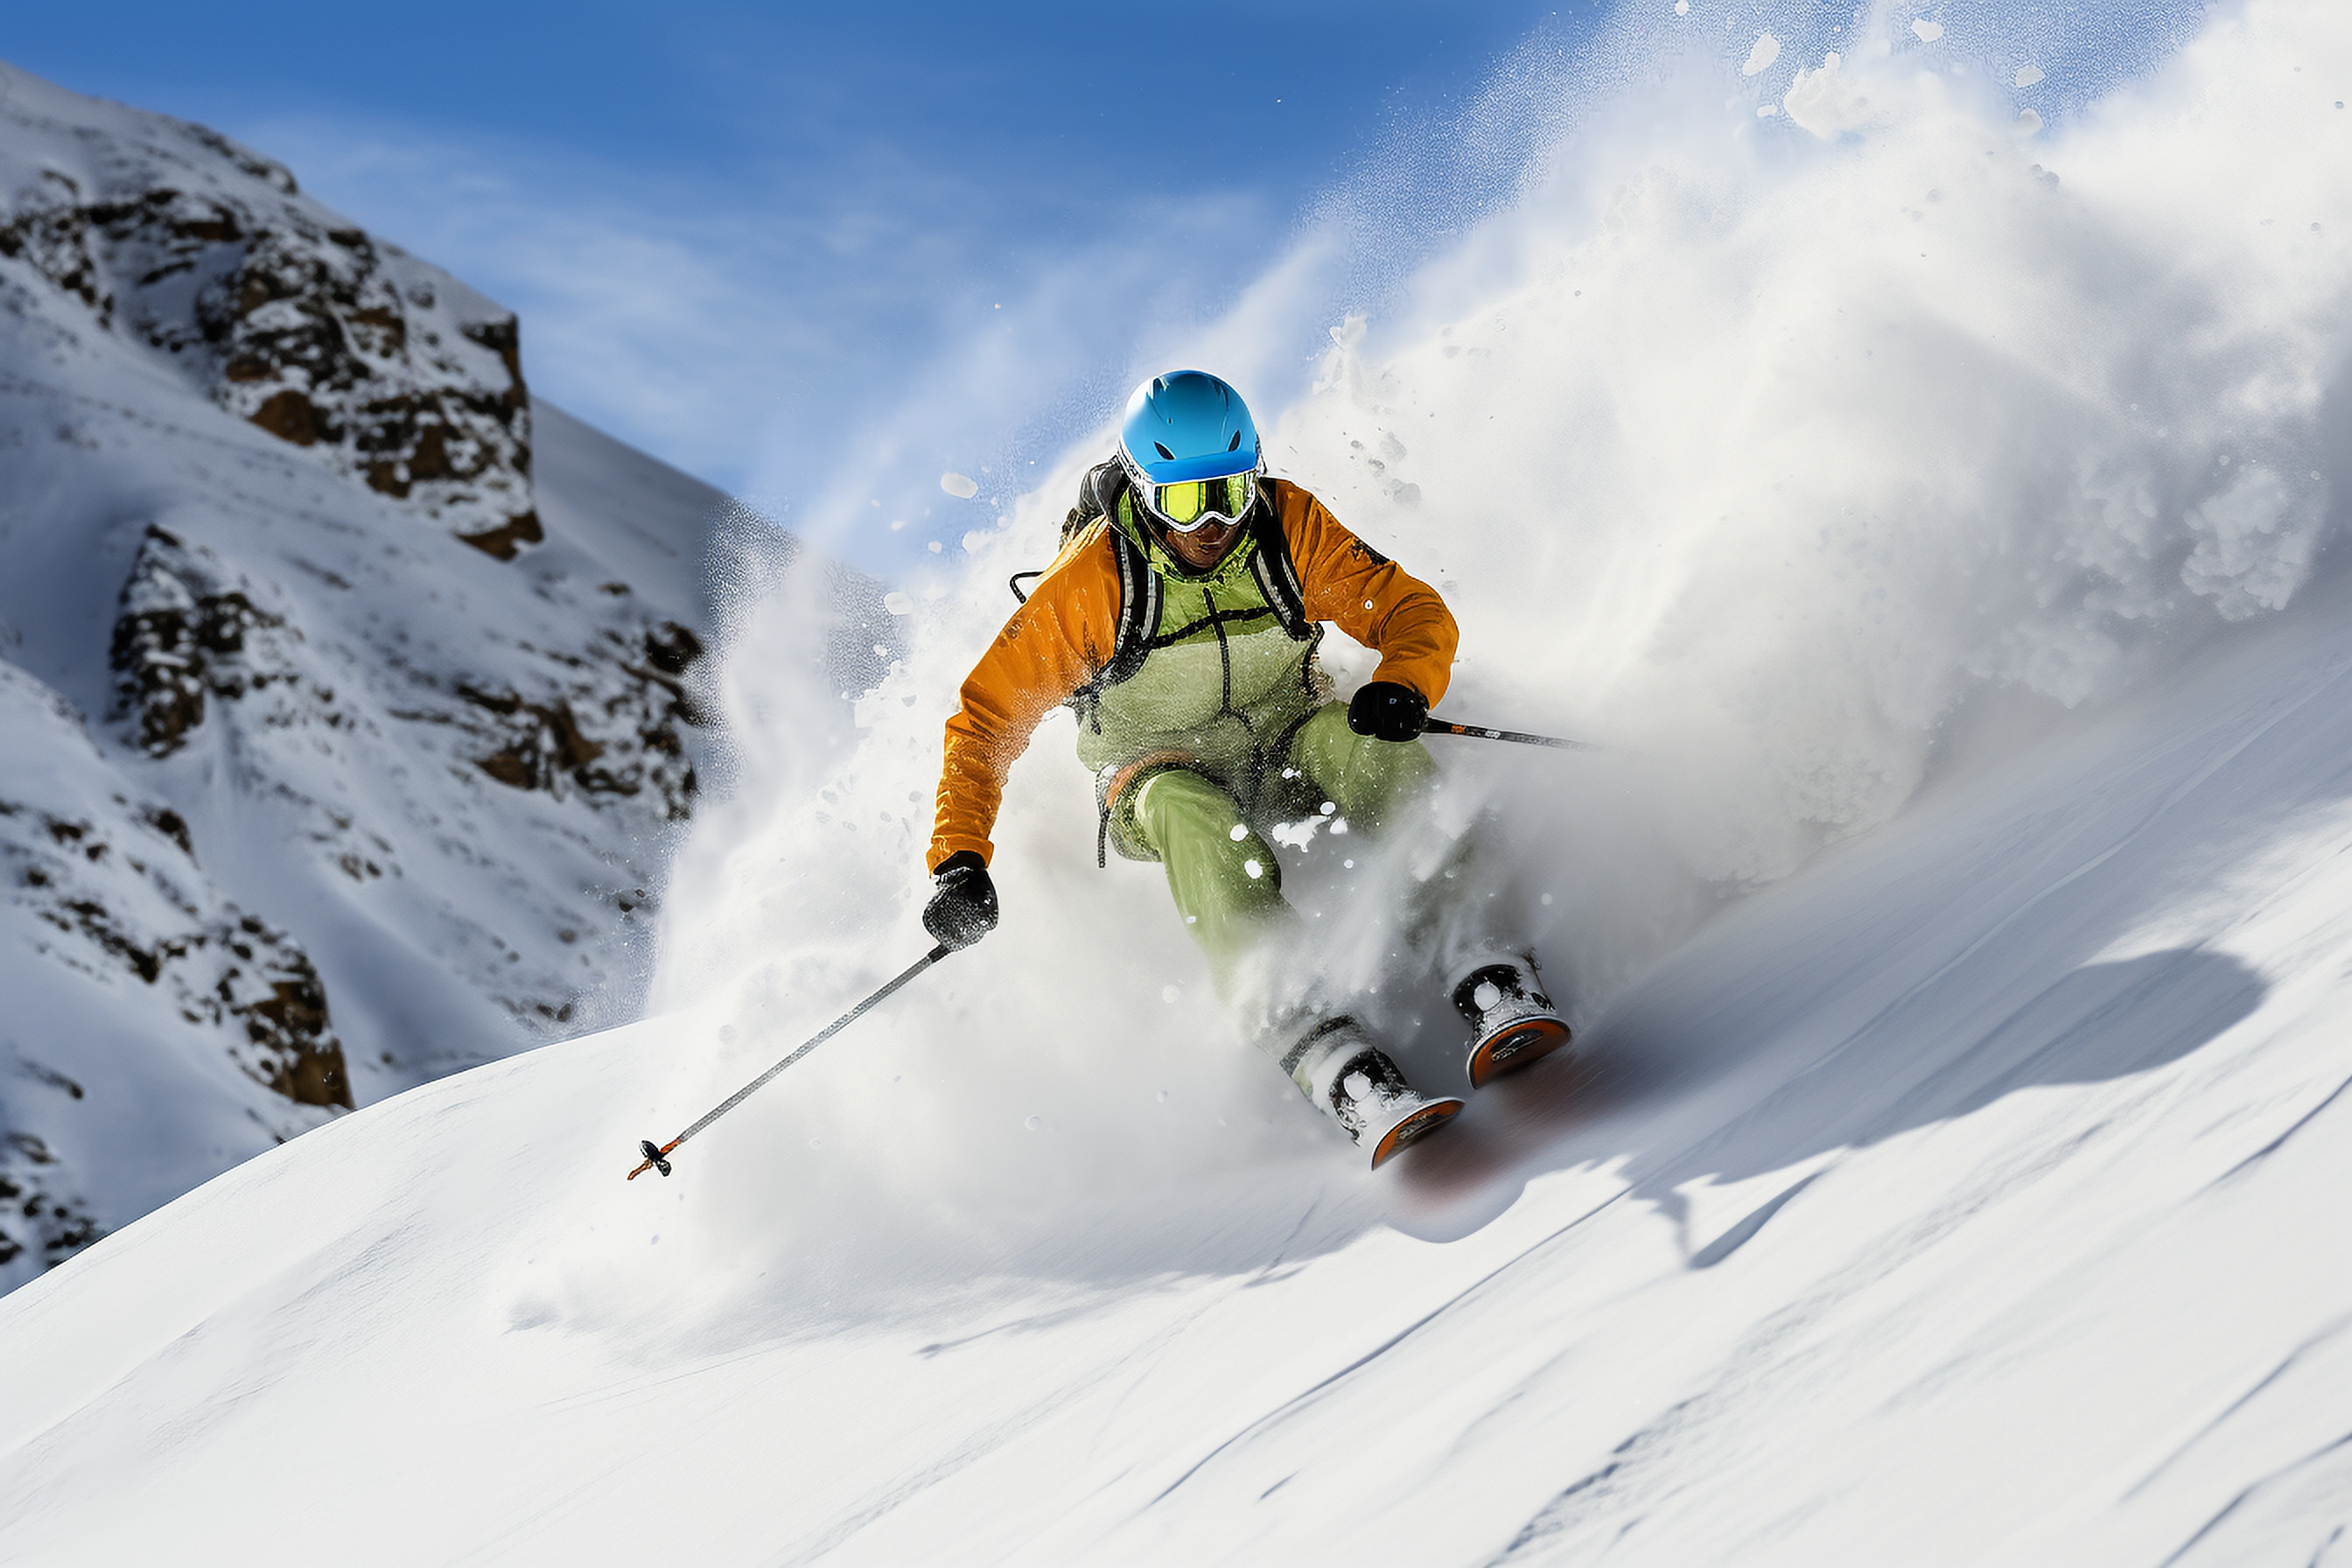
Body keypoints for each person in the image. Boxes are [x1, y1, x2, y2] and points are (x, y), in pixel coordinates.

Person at [920, 370, 1568, 1167]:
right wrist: (959, 861)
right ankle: (1320, 1044)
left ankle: (1483, 959)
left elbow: (1411, 610)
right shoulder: (1091, 584)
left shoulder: (1284, 527)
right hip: (1158, 772)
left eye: (1230, 489)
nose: (1216, 523)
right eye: (1188, 502)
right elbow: (984, 721)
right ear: (1144, 491)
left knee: (1361, 743)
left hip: (1289, 734)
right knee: (1196, 819)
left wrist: (1404, 685)